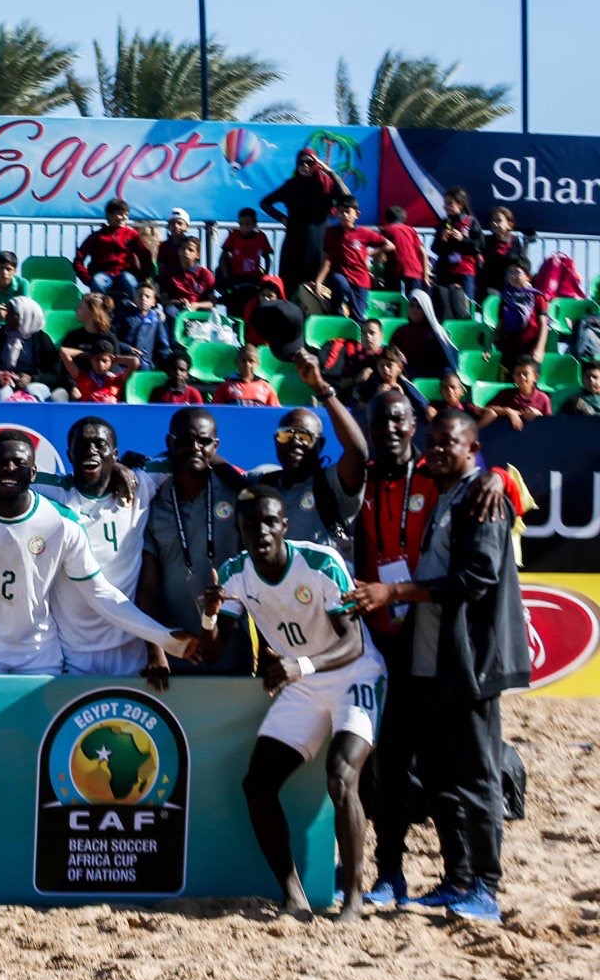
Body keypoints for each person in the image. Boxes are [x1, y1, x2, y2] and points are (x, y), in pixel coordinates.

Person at [344, 410, 529, 924]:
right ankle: (457, 881)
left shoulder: (480, 496)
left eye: (452, 442)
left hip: (471, 665)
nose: (439, 449)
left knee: (478, 776)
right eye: (436, 442)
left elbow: (476, 578)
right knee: (447, 777)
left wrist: (394, 591)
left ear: (473, 448)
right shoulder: (451, 493)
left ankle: (485, 888)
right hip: (434, 664)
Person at [197, 486, 386, 919]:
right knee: (257, 785)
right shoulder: (234, 573)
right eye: (250, 525)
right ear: (240, 531)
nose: (260, 531)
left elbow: (353, 643)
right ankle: (293, 897)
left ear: (284, 524)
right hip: (302, 684)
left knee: (340, 778)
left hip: (352, 675)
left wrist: (299, 665)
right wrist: (208, 615)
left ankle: (354, 900)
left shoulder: (320, 563)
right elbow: (213, 650)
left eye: (269, 522)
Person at [0, 430, 191, 674]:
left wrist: (165, 639)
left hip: (41, 654)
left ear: (34, 471)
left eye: (19, 463)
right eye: (0, 463)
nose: (10, 469)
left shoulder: (62, 522)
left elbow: (103, 595)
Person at [42, 417, 171, 683]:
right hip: (74, 652)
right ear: (69, 454)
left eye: (100, 444)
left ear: (114, 452)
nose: (91, 450)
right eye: (83, 445)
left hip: (132, 648)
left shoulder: (141, 486)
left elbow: (192, 450)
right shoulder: (53, 491)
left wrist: (123, 466)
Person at [138, 407, 251, 675]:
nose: (194, 448)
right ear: (169, 443)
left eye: (203, 441)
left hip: (236, 649)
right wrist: (156, 646)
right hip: (178, 650)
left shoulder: (237, 494)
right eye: (185, 441)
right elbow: (148, 588)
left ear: (216, 445)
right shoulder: (154, 503)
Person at [259, 354, 370, 557]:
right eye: (286, 435)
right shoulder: (266, 483)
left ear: (320, 444)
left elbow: (358, 452)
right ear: (275, 441)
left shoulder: (332, 483)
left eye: (304, 435)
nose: (294, 441)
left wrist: (321, 389)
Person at [261, 149, 347, 298]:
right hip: (294, 244)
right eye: (301, 162)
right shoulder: (291, 185)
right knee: (290, 287)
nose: (305, 166)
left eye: (309, 162)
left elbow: (346, 198)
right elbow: (265, 203)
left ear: (316, 164)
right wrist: (282, 218)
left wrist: (330, 172)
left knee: (318, 288)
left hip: (319, 244)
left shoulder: (326, 185)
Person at [316, 196, 381, 324]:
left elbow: (389, 245)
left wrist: (370, 253)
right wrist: (319, 281)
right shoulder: (331, 232)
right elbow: (327, 259)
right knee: (340, 284)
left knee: (358, 318)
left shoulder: (364, 232)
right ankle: (337, 314)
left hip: (361, 279)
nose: (344, 215)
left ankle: (355, 341)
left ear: (356, 214)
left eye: (348, 211)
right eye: (341, 212)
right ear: (337, 213)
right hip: (340, 275)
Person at [74, 199, 146, 297]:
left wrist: (141, 278)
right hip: (103, 275)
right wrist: (89, 279)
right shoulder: (97, 236)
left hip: (126, 274)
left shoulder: (133, 235)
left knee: (129, 280)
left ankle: (136, 309)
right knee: (98, 281)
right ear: (110, 215)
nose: (124, 217)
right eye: (120, 214)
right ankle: (97, 310)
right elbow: (78, 259)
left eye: (126, 214)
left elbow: (145, 257)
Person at [429, 188, 481, 311]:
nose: (446, 206)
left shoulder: (471, 222)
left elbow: (480, 246)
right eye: (445, 203)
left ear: (461, 204)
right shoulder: (443, 223)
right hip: (445, 271)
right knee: (444, 305)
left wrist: (462, 239)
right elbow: (434, 248)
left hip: (465, 271)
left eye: (450, 203)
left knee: (464, 305)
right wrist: (442, 239)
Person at [217, 207, 274, 313]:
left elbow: (268, 257)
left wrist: (266, 275)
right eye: (242, 224)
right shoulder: (234, 235)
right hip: (236, 277)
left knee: (253, 301)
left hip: (254, 277)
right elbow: (222, 257)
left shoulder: (261, 237)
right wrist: (226, 277)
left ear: (254, 224)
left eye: (248, 224)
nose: (245, 227)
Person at [493, 260, 547, 369]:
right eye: (510, 272)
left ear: (528, 276)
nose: (513, 276)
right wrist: (489, 345)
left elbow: (544, 325)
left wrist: (540, 348)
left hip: (530, 350)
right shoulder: (505, 298)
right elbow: (500, 324)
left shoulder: (537, 296)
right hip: (509, 349)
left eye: (517, 272)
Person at [114, 280, 172, 371]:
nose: (143, 299)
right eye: (140, 295)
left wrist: (169, 364)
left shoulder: (156, 320)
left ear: (153, 302)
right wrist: (127, 348)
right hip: (124, 361)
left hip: (145, 363)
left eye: (147, 297)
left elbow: (163, 346)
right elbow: (112, 338)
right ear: (134, 299)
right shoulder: (124, 315)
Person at [482, 355, 552, 428]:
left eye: (525, 373)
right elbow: (486, 410)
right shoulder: (506, 394)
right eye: (518, 374)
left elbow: (550, 425)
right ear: (514, 377)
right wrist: (508, 411)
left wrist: (539, 417)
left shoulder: (543, 398)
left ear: (535, 377)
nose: (522, 377)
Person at [61, 335, 133, 402]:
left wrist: (115, 359)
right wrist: (87, 355)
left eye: (105, 361)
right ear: (91, 360)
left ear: (111, 360)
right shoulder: (83, 377)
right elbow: (64, 352)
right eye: (97, 360)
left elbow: (134, 362)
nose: (101, 364)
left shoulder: (116, 380)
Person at [377, 205, 428, 297]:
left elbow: (379, 255)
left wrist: (377, 277)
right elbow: (423, 253)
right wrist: (426, 276)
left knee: (394, 303)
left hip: (395, 271)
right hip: (415, 271)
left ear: (387, 218)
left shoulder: (386, 231)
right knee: (414, 302)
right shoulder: (411, 230)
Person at [478, 205, 528, 295]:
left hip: (510, 284)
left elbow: (521, 263)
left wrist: (526, 244)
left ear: (509, 225)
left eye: (499, 220)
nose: (494, 223)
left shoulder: (515, 242)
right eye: (493, 221)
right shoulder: (486, 241)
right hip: (490, 285)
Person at [157, 236, 215, 310]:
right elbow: (164, 300)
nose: (186, 252)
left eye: (190, 250)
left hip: (200, 314)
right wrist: (177, 302)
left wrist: (197, 305)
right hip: (177, 312)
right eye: (183, 249)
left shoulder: (206, 274)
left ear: (198, 255)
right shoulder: (170, 273)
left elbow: (212, 302)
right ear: (178, 251)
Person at [213, 345, 279, 406]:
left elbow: (275, 413)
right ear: (237, 362)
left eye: (251, 361)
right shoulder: (225, 387)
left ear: (257, 363)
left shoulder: (266, 388)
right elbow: (215, 411)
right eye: (243, 361)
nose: (247, 365)